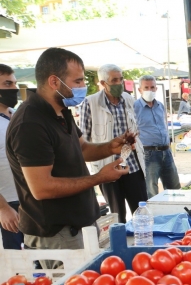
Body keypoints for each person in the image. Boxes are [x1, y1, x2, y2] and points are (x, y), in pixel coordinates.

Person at [5, 48, 130, 256]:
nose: (83, 87)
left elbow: (82, 149)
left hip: (80, 225)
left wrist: (111, 146)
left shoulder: (62, 111)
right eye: (78, 81)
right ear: (54, 82)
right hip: (57, 234)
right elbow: (42, 188)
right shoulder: (30, 123)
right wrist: (99, 177)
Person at [78, 64, 147, 224]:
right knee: (117, 217)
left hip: (132, 166)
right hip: (108, 167)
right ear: (103, 83)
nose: (119, 83)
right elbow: (83, 140)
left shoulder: (129, 99)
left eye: (121, 79)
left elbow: (135, 127)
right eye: (114, 80)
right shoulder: (90, 103)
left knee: (142, 212)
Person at [134, 75, 181, 199]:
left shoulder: (160, 106)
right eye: (146, 87)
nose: (150, 90)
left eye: (152, 87)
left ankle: (176, 212)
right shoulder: (135, 107)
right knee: (151, 190)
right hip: (149, 153)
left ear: (156, 89)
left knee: (174, 187)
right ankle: (155, 216)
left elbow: (164, 126)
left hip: (166, 151)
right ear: (140, 90)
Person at [0, 64, 23, 249]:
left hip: (27, 201)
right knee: (16, 265)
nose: (14, 89)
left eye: (15, 83)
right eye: (7, 84)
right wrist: (3, 208)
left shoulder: (15, 115)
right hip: (7, 204)